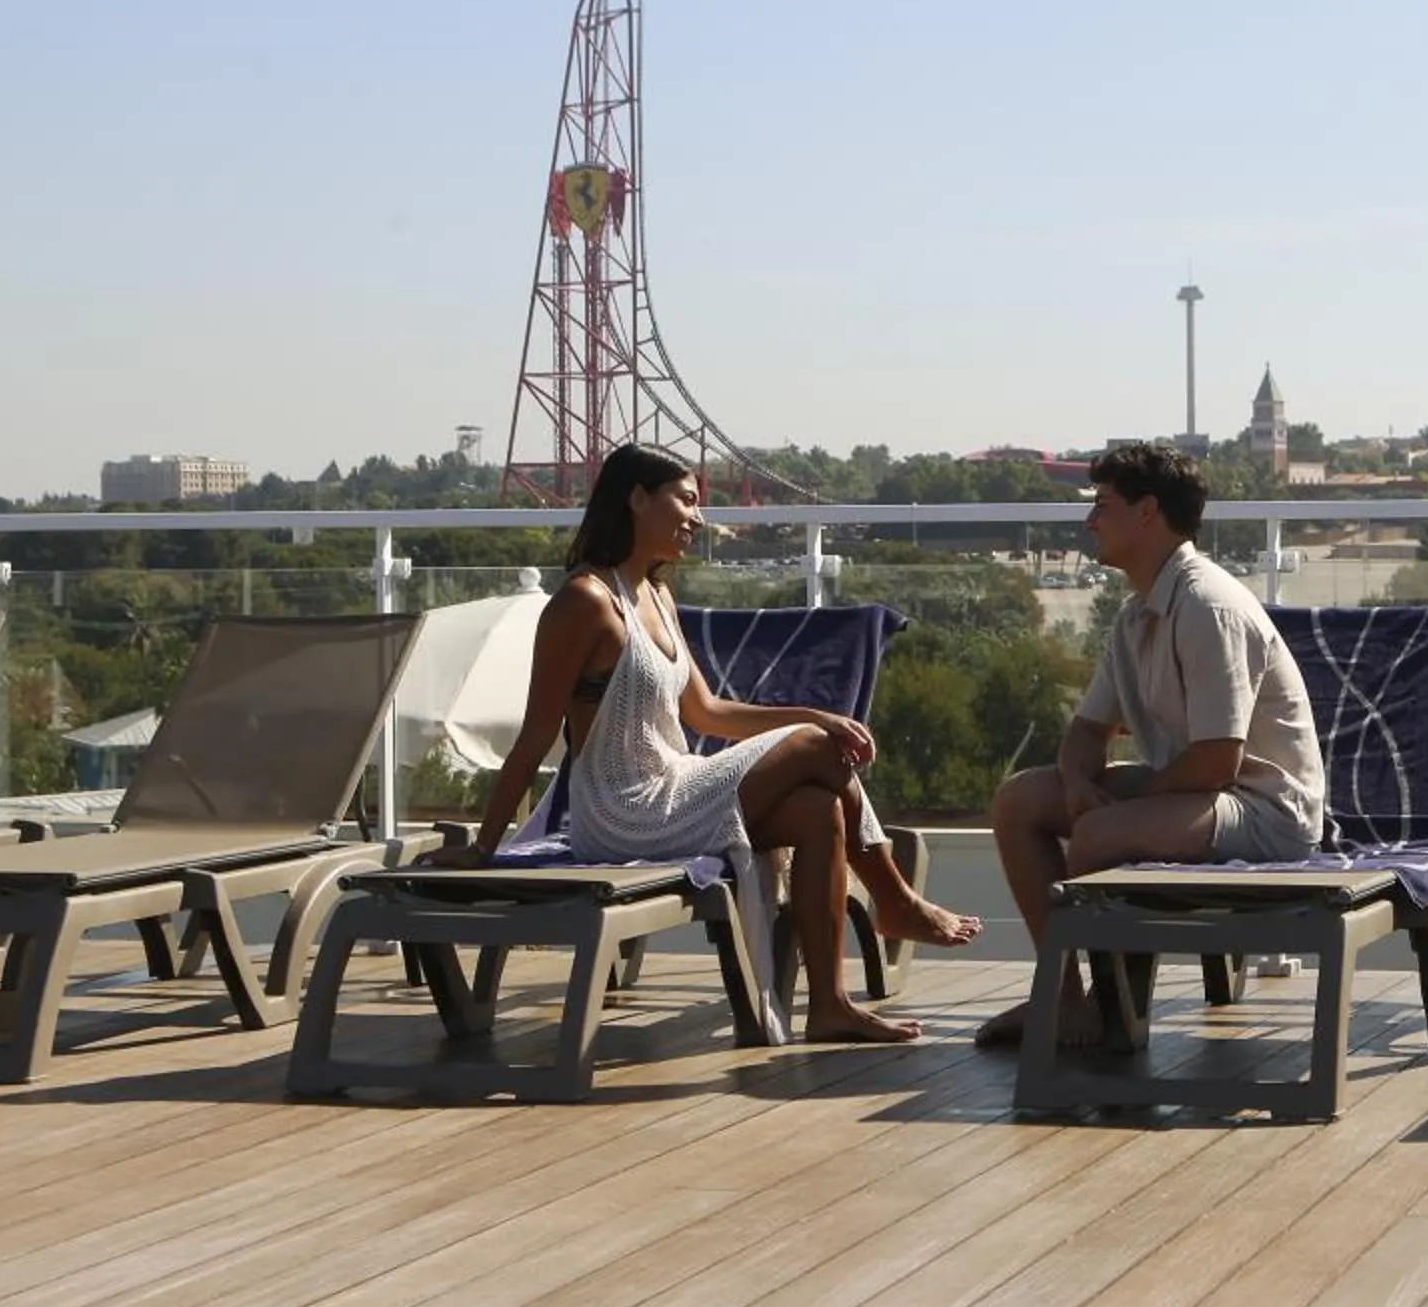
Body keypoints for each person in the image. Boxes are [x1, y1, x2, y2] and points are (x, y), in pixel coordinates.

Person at [425, 442, 978, 1043]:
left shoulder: (657, 596)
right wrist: (485, 848)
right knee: (818, 748)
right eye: (686, 500)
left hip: (676, 785)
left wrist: (815, 712)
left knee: (818, 811)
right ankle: (895, 900)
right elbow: (536, 735)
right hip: (621, 812)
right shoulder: (584, 602)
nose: (698, 517)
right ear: (638, 499)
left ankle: (829, 1007)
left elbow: (707, 712)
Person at [977, 440, 1325, 1049]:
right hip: (1195, 790)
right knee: (1020, 801)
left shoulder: (1208, 607)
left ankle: (1116, 1010)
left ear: (1146, 512)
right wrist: (1079, 783)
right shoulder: (1136, 615)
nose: (1090, 520)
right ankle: (1062, 999)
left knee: (1098, 835)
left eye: (1102, 505)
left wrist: (1120, 808)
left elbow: (1218, 760)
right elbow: (1087, 731)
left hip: (1266, 810)